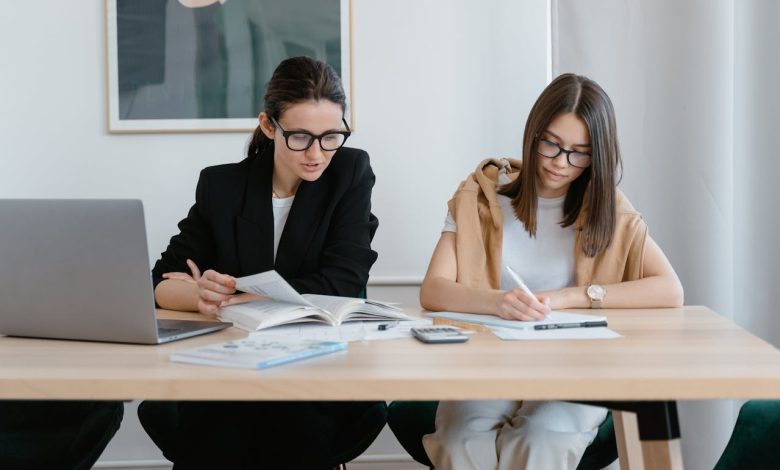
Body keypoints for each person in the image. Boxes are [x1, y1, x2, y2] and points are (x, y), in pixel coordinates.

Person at [419, 73, 684, 470]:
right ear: (533, 134)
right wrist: (497, 302)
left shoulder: (609, 209)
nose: (561, 163)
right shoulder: (480, 196)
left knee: (539, 439)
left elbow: (670, 290)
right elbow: (433, 290)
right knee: (460, 439)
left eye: (581, 152)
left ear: (599, 155)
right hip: (488, 365)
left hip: (576, 369)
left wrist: (572, 297)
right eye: (552, 145)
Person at [139, 56, 380, 469]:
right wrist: (199, 293)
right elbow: (161, 280)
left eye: (331, 136)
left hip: (315, 365)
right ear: (269, 126)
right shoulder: (222, 185)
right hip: (229, 365)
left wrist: (236, 295)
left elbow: (343, 280)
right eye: (301, 137)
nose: (318, 153)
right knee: (221, 424)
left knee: (294, 422)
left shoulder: (350, 172)